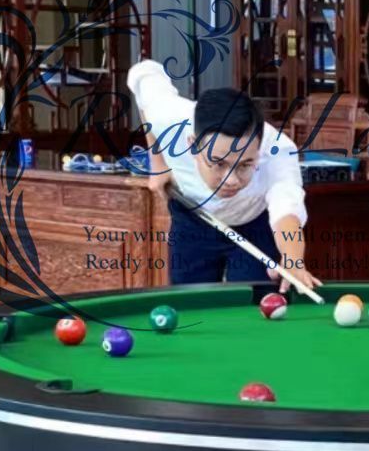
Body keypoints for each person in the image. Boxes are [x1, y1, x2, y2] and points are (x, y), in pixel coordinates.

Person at [126, 59, 322, 293]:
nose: (231, 180)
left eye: (245, 165)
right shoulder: (170, 119)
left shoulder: (278, 150)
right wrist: (158, 164)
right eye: (219, 163)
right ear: (192, 145)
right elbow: (144, 72)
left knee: (258, 302)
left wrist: (293, 259)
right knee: (191, 303)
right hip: (193, 217)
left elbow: (286, 210)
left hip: (254, 225)